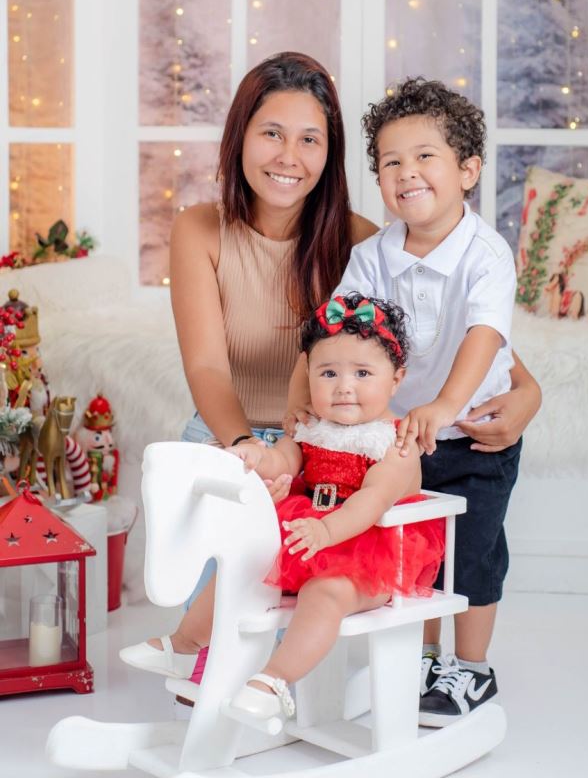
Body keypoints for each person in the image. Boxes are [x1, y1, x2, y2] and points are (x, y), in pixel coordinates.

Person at [121, 293, 444, 722]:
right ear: (308, 375)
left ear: (396, 379)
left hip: (369, 554)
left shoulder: (395, 443)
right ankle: (184, 646)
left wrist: (327, 531)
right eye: (328, 373)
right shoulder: (313, 428)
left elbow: (373, 499)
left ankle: (273, 681)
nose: (344, 386)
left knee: (324, 594)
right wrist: (255, 456)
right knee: (245, 566)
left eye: (363, 373)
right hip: (310, 536)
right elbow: (285, 460)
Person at [321, 76, 528, 726]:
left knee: (472, 556)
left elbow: (483, 334)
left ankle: (473, 667)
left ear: (468, 170)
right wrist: (325, 401)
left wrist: (444, 404)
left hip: (474, 437)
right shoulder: (371, 257)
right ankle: (425, 658)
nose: (406, 172)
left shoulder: (486, 255)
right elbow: (340, 330)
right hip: (402, 441)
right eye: (391, 162)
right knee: (416, 552)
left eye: (425, 156)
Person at [171, 51, 378, 598]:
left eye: (309, 139)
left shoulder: (361, 241)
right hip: (224, 440)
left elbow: (432, 330)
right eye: (272, 134)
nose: (289, 157)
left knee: (286, 628)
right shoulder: (198, 229)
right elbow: (206, 366)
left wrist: (524, 388)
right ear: (240, 136)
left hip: (318, 452)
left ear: (329, 152)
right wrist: (247, 450)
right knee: (210, 626)